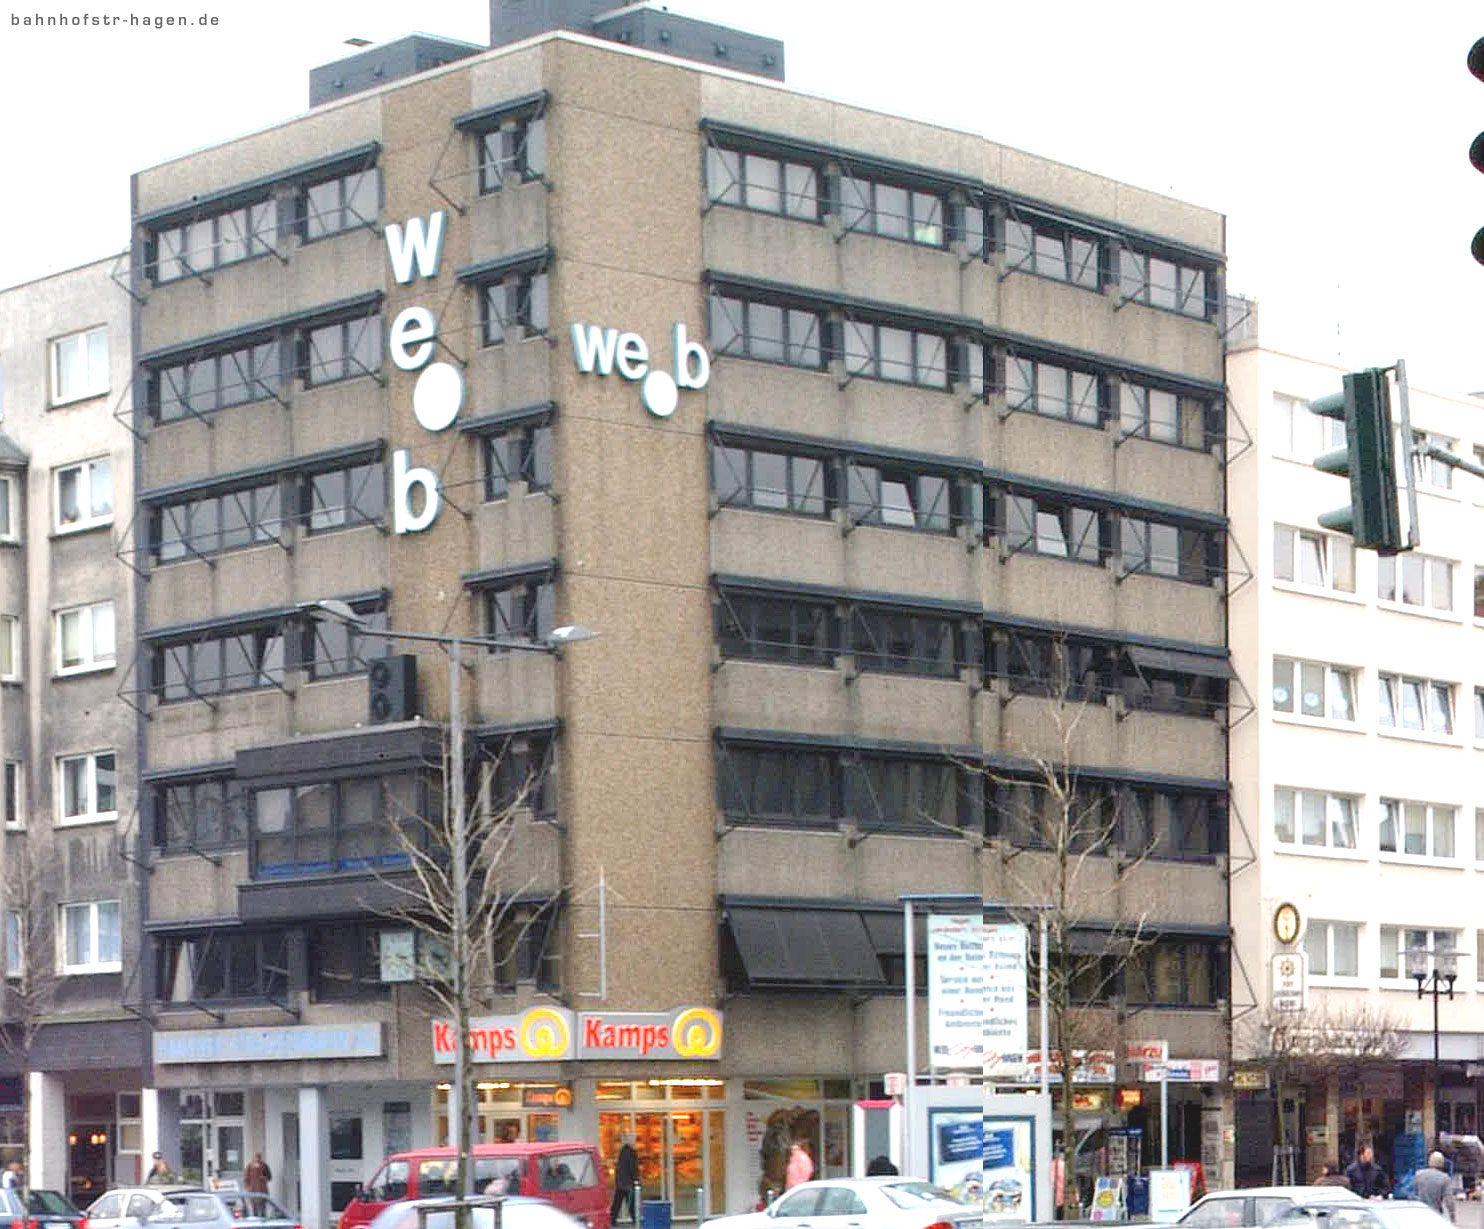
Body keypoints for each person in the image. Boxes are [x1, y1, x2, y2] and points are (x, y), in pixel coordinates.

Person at [1414, 1151, 1455, 1222]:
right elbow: (1449, 1200)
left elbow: (1414, 1193)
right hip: (1435, 1214)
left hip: (1419, 1212)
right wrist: (1452, 1216)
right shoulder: (1445, 1178)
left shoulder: (1418, 1175)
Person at [610, 1134, 638, 1227]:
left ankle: (612, 1219)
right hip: (627, 1182)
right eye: (634, 1140)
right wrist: (636, 1179)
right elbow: (632, 1168)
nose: (635, 1142)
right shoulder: (631, 1152)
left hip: (621, 1182)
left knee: (617, 1202)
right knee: (631, 1202)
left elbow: (620, 1167)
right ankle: (635, 1220)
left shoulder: (622, 1151)